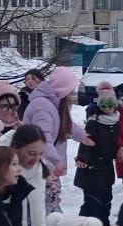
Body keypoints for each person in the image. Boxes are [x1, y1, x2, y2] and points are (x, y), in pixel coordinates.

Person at [23, 66, 90, 214]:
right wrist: (55, 161)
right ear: (62, 88)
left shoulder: (52, 105)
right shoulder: (42, 106)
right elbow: (42, 137)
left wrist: (82, 136)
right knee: (46, 209)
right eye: (70, 90)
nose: (72, 94)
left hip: (46, 166)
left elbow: (64, 124)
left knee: (51, 204)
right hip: (40, 167)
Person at [74, 82, 122, 226]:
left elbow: (111, 144)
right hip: (91, 167)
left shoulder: (115, 122)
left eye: (110, 104)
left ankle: (104, 224)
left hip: (105, 167)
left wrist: (118, 151)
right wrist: (83, 159)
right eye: (103, 104)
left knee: (106, 197)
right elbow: (85, 142)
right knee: (92, 199)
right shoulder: (93, 122)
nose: (107, 108)